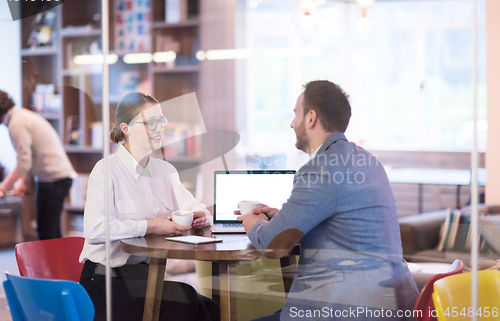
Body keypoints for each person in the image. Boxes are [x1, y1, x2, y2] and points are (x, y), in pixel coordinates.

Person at [238, 80, 419, 321]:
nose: (292, 124)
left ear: (311, 118)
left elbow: (273, 245)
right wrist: (282, 216)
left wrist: (254, 224)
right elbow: (341, 222)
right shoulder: (368, 161)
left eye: (296, 114)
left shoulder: (319, 169)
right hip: (393, 306)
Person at [79, 92, 220, 321]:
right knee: (186, 298)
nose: (159, 128)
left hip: (145, 279)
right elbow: (95, 230)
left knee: (211, 309)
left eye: (161, 121)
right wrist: (149, 226)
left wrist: (201, 216)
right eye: (149, 122)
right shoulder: (106, 170)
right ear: (126, 128)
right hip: (105, 282)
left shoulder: (165, 171)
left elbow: (196, 206)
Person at [0, 89, 76, 240]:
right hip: (57, 178)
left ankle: (54, 264)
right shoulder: (20, 116)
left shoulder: (16, 123)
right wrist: (23, 182)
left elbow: (23, 162)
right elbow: (31, 157)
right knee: (52, 232)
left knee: (46, 233)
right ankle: (59, 264)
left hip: (53, 180)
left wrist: (3, 188)